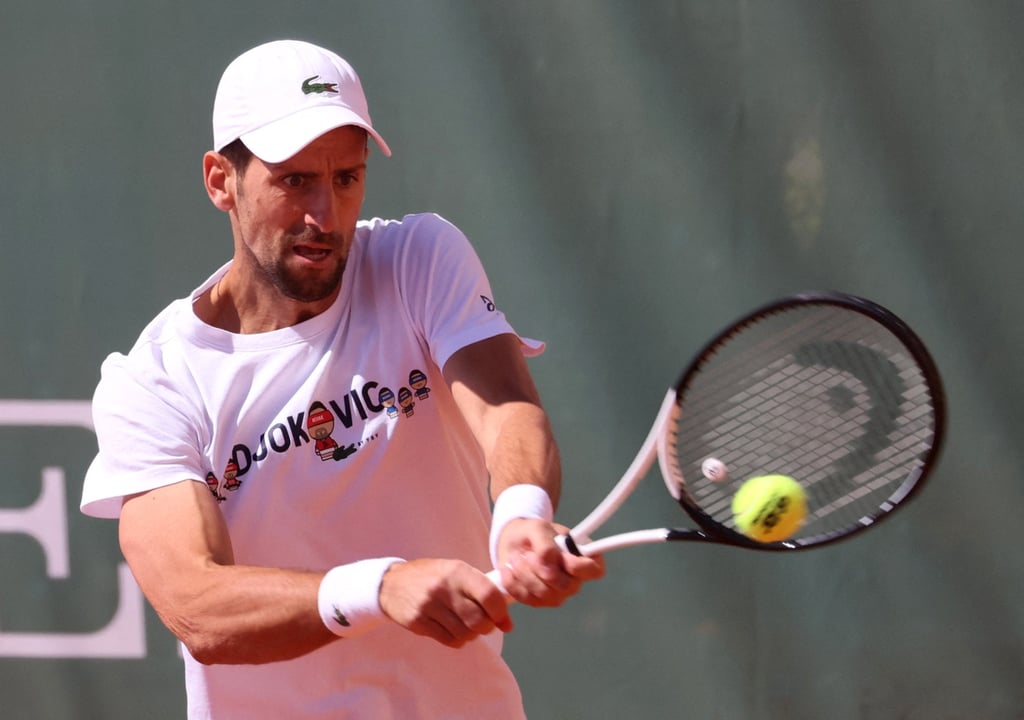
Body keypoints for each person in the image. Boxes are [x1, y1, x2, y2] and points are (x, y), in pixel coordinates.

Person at [80, 39, 604, 719]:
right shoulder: (153, 383)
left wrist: (520, 516)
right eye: (294, 180)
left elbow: (505, 410)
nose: (324, 216)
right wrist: (380, 587)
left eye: (346, 178)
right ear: (220, 181)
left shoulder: (420, 258)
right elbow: (197, 604)